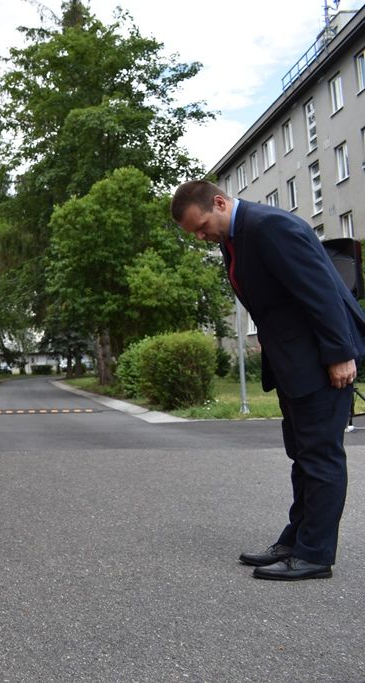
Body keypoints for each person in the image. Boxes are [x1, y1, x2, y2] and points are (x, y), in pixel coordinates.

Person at [171, 179, 365, 581]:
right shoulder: (235, 237)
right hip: (294, 362)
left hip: (320, 360)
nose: (204, 237)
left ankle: (315, 555)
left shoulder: (269, 226)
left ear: (220, 202)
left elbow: (322, 292)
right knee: (303, 456)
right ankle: (296, 540)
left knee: (320, 458)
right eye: (196, 234)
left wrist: (340, 354)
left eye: (203, 226)